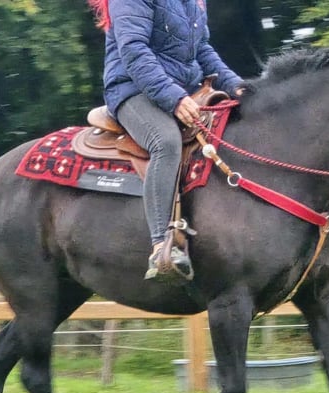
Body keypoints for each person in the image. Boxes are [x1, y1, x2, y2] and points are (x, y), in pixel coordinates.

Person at [89, 0, 246, 280]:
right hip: (132, 89)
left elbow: (202, 50)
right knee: (166, 141)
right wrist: (174, 98)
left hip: (185, 90)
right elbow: (134, 51)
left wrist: (237, 86)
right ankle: (161, 246)